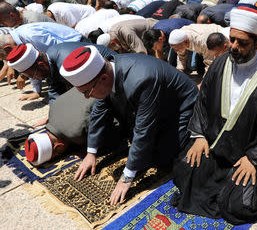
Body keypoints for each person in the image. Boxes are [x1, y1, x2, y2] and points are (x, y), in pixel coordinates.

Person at [171, 5, 257, 224]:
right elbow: (203, 101)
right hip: (216, 145)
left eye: (242, 43)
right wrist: (198, 136)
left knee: (239, 204)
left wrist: (255, 159)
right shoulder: (220, 63)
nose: (234, 46)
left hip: (249, 152)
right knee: (184, 170)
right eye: (232, 39)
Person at [58, 45, 198, 206]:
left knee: (163, 159)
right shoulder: (108, 71)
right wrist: (91, 153)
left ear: (103, 79)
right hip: (156, 107)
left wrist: (127, 177)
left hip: (183, 109)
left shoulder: (142, 79)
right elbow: (99, 112)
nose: (85, 97)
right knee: (141, 148)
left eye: (86, 92)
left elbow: (143, 129)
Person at [6, 42, 115, 126]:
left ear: (41, 65)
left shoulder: (67, 64)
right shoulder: (48, 60)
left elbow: (88, 93)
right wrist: (53, 115)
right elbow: (54, 90)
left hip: (112, 73)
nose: (35, 79)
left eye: (33, 75)